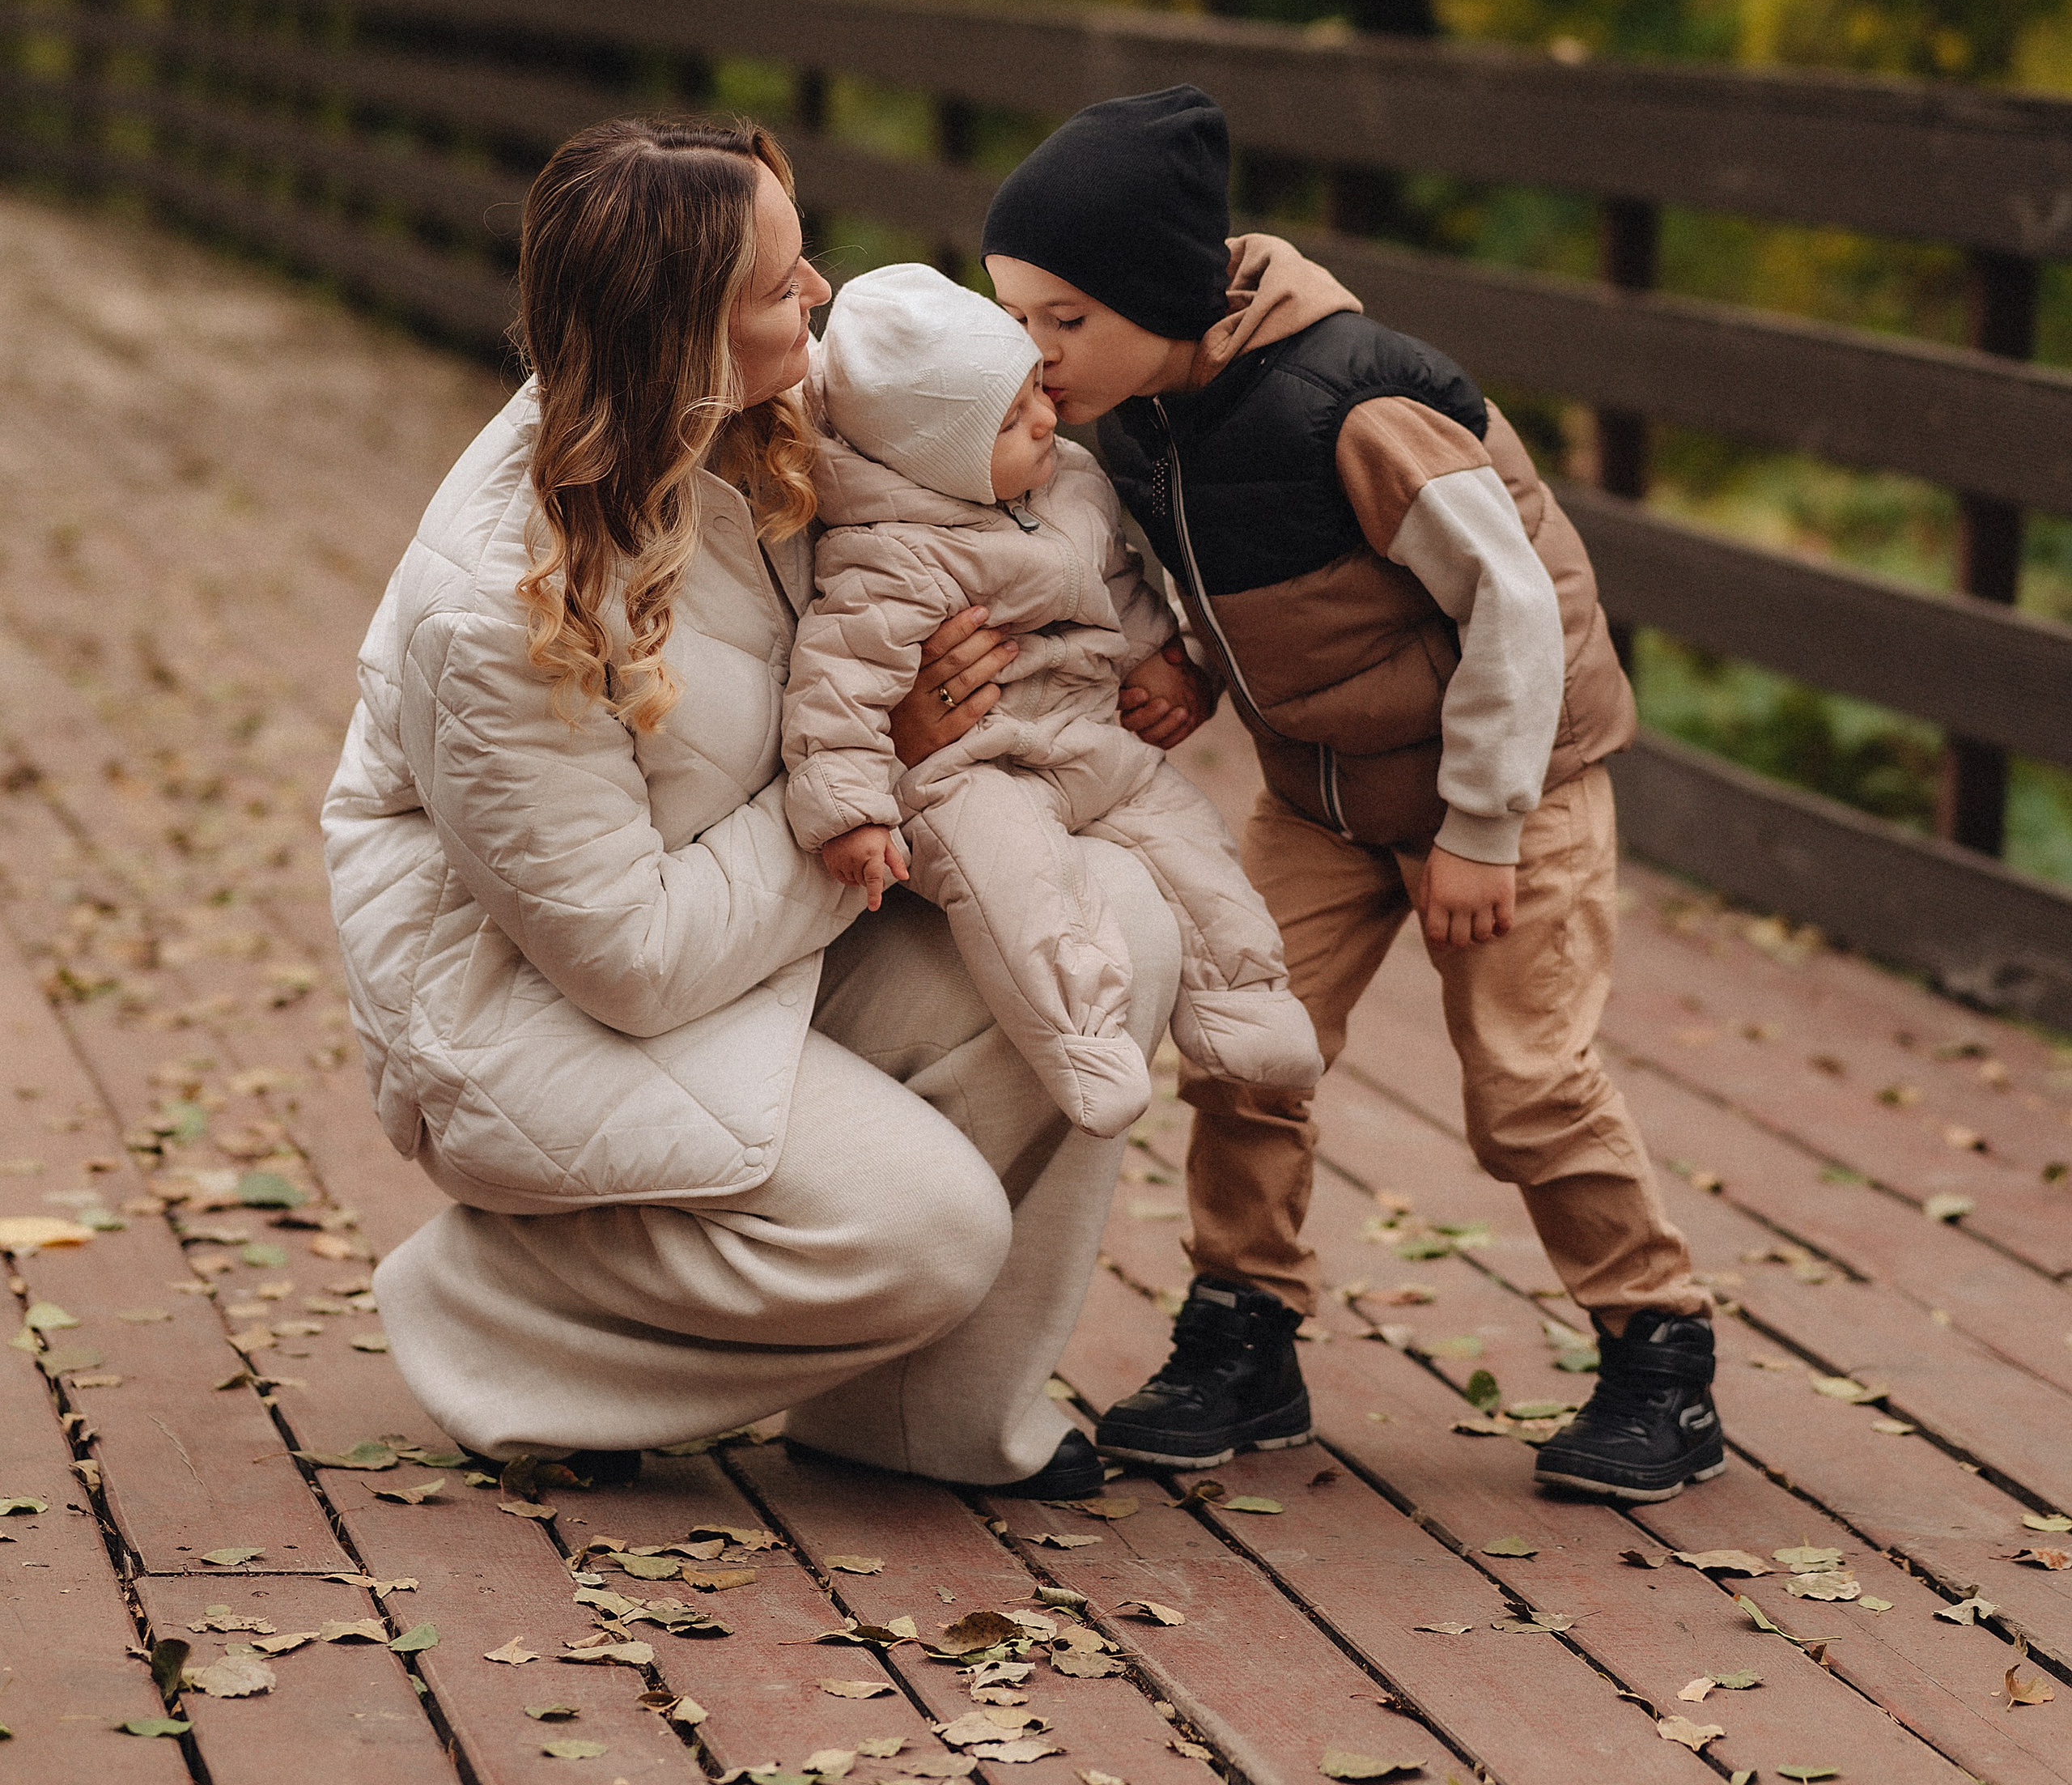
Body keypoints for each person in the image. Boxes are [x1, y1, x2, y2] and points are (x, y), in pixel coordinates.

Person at [322, 114, 1179, 1498]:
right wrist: (880, 756)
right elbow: (631, 961)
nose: (823, 295)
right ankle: (499, 1306)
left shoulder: (773, 408)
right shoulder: (494, 605)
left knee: (1114, 922)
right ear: (686, 337)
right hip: (535, 1011)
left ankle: (918, 1417)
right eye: (785, 286)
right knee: (926, 1232)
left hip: (754, 929)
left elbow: (1021, 434)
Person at [981, 85, 1721, 1504]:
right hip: (1323, 793)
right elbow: (1240, 577)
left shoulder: (1359, 404)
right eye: (1016, 314)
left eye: (1066, 316)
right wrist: (1193, 662)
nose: (1035, 349)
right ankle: (1247, 1330)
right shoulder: (1137, 415)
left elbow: (1513, 607)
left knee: (1526, 1085)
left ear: (1164, 294)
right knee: (1245, 1041)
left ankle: (1659, 1351)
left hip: (1509, 785)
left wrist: (1481, 825)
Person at [782, 261, 1319, 1141]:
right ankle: (1085, 1040)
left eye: (1035, 386)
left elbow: (1118, 582)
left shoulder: (1067, 480)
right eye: (1010, 418)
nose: (1045, 417)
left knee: (1190, 839)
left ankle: (1245, 1007)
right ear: (936, 456)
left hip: (1084, 736)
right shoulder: (892, 553)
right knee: (1022, 887)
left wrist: (1155, 657)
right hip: (967, 771)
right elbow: (836, 686)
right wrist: (850, 811)